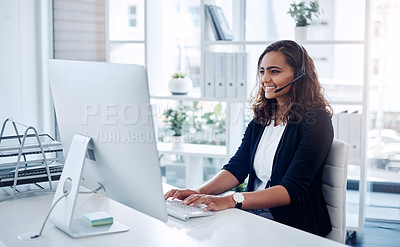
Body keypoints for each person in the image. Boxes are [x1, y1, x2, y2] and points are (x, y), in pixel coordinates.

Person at [164, 40, 334, 237]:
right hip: (253, 213)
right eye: (262, 72)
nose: (265, 79)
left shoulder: (315, 120)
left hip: (291, 224)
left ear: (299, 75)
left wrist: (231, 200)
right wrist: (199, 192)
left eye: (275, 71)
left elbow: (291, 190)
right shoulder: (263, 117)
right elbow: (238, 167)